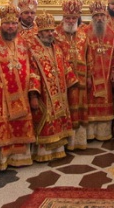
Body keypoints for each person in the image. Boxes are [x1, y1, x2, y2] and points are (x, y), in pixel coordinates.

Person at [0, 3, 34, 172]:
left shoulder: (23, 43)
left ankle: (20, 157)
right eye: (7, 24)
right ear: (1, 24)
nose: (10, 27)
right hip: (1, 95)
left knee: (20, 124)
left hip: (22, 94)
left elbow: (31, 67)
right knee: (3, 125)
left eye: (13, 23)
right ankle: (1, 160)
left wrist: (32, 91)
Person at [28, 12, 77, 162]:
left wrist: (72, 82)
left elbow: (66, 67)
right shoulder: (33, 51)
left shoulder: (57, 48)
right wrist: (33, 95)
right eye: (47, 31)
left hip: (60, 93)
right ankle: (44, 153)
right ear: (40, 32)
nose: (50, 34)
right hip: (44, 94)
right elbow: (32, 73)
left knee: (60, 119)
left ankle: (59, 149)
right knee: (46, 120)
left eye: (51, 31)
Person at [84, 0, 114, 141]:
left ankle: (103, 133)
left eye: (102, 15)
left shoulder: (111, 33)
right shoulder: (85, 32)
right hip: (91, 75)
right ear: (92, 17)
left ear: (105, 16)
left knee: (106, 99)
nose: (99, 18)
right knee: (91, 100)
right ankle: (90, 133)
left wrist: (113, 72)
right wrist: (87, 75)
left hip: (106, 76)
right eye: (96, 16)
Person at [54, 0, 89, 151]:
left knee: (80, 108)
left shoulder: (82, 34)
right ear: (63, 18)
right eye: (68, 18)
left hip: (81, 78)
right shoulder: (56, 34)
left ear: (77, 18)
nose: (70, 21)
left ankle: (79, 140)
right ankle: (67, 141)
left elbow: (89, 56)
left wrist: (89, 75)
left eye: (73, 18)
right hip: (64, 78)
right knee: (66, 107)